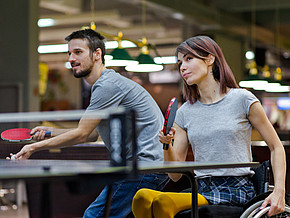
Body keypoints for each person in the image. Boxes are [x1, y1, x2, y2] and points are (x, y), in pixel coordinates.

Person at [9, 29, 169, 217]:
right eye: (69, 53)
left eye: (78, 52)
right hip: (149, 168)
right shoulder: (107, 84)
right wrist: (50, 131)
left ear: (97, 54)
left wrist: (33, 148)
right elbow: (92, 134)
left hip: (143, 168)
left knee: (94, 215)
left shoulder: (107, 86)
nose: (71, 59)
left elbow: (82, 133)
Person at [132, 35, 286, 217]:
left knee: (163, 201)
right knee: (140, 197)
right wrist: (167, 144)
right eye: (180, 62)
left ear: (210, 59)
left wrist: (279, 192)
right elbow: (174, 175)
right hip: (201, 188)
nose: (182, 67)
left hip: (235, 190)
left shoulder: (242, 99)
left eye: (189, 59)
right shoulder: (184, 112)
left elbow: (276, 147)